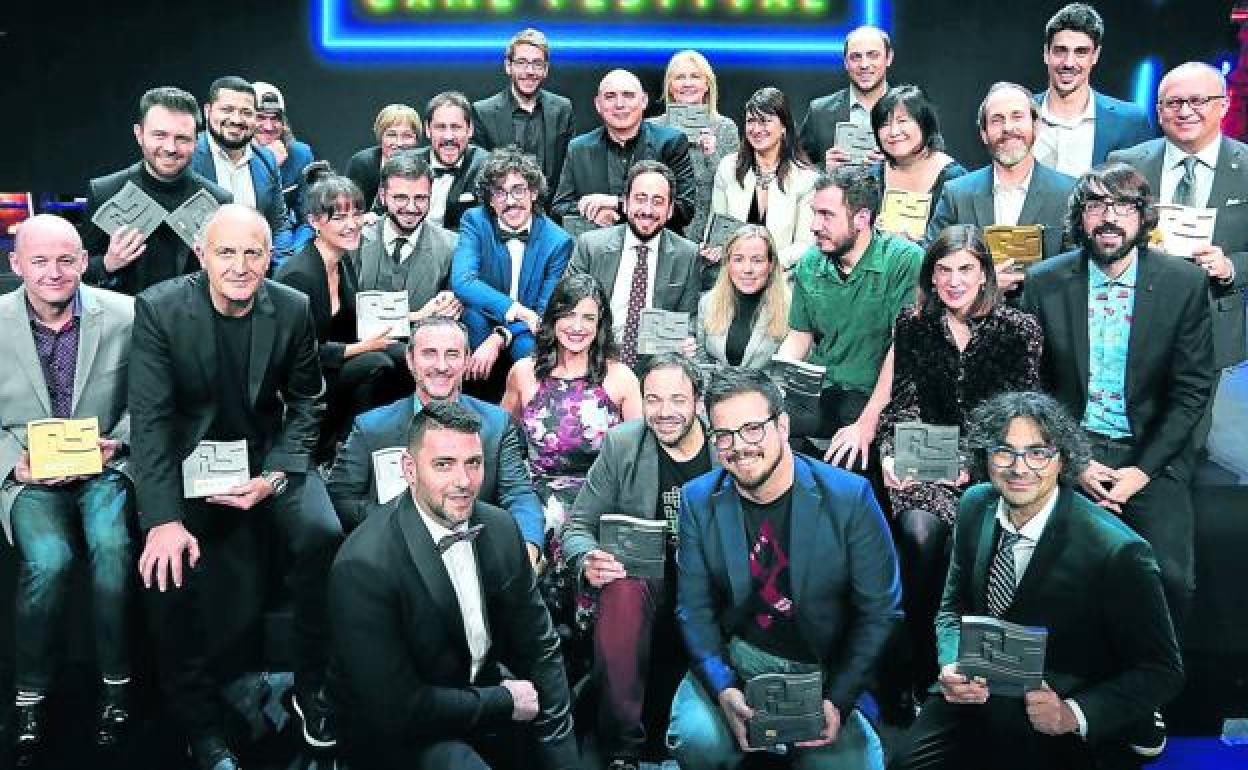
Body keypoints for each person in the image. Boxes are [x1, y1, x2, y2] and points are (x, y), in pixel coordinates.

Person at [129, 205, 343, 769]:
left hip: (265, 458)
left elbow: (308, 402)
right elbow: (150, 422)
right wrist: (163, 520)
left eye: (253, 253)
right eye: (226, 252)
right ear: (202, 254)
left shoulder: (291, 307)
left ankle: (312, 688)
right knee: (168, 563)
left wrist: (274, 478)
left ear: (269, 257)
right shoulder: (159, 308)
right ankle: (200, 724)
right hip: (189, 460)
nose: (240, 265)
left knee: (322, 532)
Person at [1020, 164, 1213, 755]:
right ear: (1079, 217)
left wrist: (1140, 472)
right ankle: (1058, 686)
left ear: (1143, 217)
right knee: (1042, 567)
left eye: (1123, 207)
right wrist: (1075, 462)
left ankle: (1140, 696)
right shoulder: (1046, 281)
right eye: (1096, 206)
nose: (1109, 218)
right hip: (1069, 449)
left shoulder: (1182, 283)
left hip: (1149, 454)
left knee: (1170, 576)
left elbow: (1191, 392)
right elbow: (1036, 389)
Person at [889, 391, 1184, 770]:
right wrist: (951, 664)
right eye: (1004, 452)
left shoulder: (1118, 551)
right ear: (985, 456)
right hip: (977, 686)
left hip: (1059, 698)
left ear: (1063, 460)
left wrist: (1072, 713)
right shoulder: (975, 504)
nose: (1019, 468)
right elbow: (952, 608)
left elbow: (1162, 671)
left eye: (1037, 453)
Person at [667, 367, 901, 770]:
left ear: (783, 426)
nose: (739, 447)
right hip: (740, 659)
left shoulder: (850, 498)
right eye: (724, 435)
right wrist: (723, 687)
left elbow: (880, 612)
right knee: (697, 741)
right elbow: (694, 609)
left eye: (752, 429)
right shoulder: (698, 500)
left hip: (821, 668)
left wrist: (839, 700)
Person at [328, 400, 579, 770]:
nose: (463, 481)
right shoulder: (363, 564)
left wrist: (562, 758)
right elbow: (400, 710)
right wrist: (503, 702)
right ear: (409, 469)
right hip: (401, 734)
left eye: (473, 463)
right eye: (444, 464)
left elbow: (540, 647)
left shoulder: (500, 528)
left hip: (479, 698)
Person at [875, 224, 1042, 696]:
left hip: (995, 465)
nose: (953, 281)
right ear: (930, 276)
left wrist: (972, 461)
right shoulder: (913, 324)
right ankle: (918, 665)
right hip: (925, 458)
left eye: (965, 269)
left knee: (974, 541)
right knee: (919, 533)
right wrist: (891, 452)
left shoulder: (1020, 330)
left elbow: (1018, 416)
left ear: (985, 273)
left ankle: (975, 670)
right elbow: (903, 402)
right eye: (943, 270)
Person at [0, 215, 135, 759]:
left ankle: (117, 688)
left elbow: (150, 400)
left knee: (112, 548)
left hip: (104, 466)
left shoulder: (125, 315)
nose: (53, 272)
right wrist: (14, 466)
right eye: (39, 261)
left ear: (84, 260)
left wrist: (119, 444)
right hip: (28, 472)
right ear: (16, 265)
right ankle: (29, 697)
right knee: (49, 560)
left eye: (65, 260)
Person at [562, 354, 718, 768]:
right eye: (653, 399)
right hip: (646, 581)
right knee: (621, 586)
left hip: (711, 584)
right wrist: (588, 559)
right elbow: (578, 526)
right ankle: (621, 750)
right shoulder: (623, 443)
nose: (664, 412)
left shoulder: (725, 446)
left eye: (677, 400)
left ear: (698, 401)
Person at [1107, 61, 1248, 482]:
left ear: (1223, 105)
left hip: (1213, 325)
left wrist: (1232, 265)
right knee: (1134, 437)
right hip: (1136, 319)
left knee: (1193, 445)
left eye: (1198, 101)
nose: (1185, 111)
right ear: (1159, 110)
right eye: (1174, 103)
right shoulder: (1126, 164)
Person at [327, 316, 544, 565]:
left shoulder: (496, 424)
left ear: (466, 360)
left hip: (474, 556)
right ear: (410, 360)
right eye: (429, 354)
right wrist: (401, 524)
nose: (441, 366)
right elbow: (342, 499)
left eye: (452, 354)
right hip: (394, 558)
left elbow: (518, 494)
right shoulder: (372, 427)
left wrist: (528, 549)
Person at [501, 273, 642, 636]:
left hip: (599, 498)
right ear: (553, 318)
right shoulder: (523, 373)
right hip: (536, 495)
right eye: (568, 315)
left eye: (588, 318)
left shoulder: (620, 378)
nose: (577, 327)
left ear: (601, 324)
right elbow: (502, 440)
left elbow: (640, 456)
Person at [775, 165, 923, 472]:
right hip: (824, 390)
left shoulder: (904, 260)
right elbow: (800, 336)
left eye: (826, 215)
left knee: (850, 457)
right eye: (814, 213)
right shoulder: (811, 262)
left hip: (875, 395)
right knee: (767, 435)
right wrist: (776, 390)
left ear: (862, 219)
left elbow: (902, 350)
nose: (814, 226)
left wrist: (866, 425)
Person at [275, 172, 404, 462]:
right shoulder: (299, 275)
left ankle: (391, 443)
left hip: (336, 361)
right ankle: (344, 452)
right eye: (340, 218)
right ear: (314, 222)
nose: (352, 224)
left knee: (404, 355)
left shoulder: (342, 260)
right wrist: (362, 348)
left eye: (357, 214)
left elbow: (356, 317)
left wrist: (419, 314)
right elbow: (299, 352)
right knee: (377, 363)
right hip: (306, 373)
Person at [927, 82, 1077, 293]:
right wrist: (984, 283)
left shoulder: (1069, 192)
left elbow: (1077, 269)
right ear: (984, 133)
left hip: (1044, 311)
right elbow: (932, 263)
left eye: (1017, 117)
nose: (1008, 128)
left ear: (1036, 126)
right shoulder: (956, 194)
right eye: (997, 120)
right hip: (975, 311)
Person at [81, 86, 232, 296]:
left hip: (192, 313)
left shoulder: (219, 201)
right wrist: (107, 263)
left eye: (182, 138)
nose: (170, 148)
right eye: (160, 135)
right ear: (139, 134)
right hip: (125, 313)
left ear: (196, 140)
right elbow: (78, 268)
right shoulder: (105, 192)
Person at [450, 146, 573, 383]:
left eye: (518, 190)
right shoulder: (475, 221)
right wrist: (516, 310)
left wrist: (501, 336)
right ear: (490, 199)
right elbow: (462, 281)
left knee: (529, 353)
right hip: (484, 316)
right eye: (499, 192)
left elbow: (543, 313)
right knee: (472, 324)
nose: (510, 201)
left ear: (533, 193)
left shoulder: (558, 241)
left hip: (527, 328)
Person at [567, 160, 700, 367]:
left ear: (670, 210)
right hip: (596, 357)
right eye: (640, 199)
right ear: (625, 203)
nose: (647, 210)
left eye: (658, 201)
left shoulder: (687, 254)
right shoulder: (590, 246)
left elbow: (688, 318)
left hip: (655, 364)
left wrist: (686, 340)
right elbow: (567, 307)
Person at [552, 69, 697, 235]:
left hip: (658, 247)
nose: (619, 104)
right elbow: (559, 208)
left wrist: (617, 203)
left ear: (644, 101)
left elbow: (684, 209)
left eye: (628, 95)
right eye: (610, 97)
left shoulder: (671, 142)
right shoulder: (578, 148)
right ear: (598, 104)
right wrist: (595, 212)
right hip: (600, 247)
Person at [1033, 3, 1154, 177]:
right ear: (1046, 53)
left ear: (1095, 55)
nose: (1068, 63)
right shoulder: (1019, 114)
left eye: (1081, 52)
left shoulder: (1129, 122)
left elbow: (1142, 186)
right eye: (1060, 51)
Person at [191, 76, 295, 267]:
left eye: (246, 112)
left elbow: (279, 225)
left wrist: (281, 271)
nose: (237, 119)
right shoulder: (188, 155)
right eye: (227, 110)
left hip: (256, 275)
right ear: (207, 111)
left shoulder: (266, 160)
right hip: (200, 274)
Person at [711, 87, 818, 271]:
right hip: (733, 273)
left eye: (765, 121)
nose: (756, 129)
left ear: (784, 127)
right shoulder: (728, 168)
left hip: (782, 275)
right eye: (751, 121)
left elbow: (805, 244)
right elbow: (718, 232)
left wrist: (765, 265)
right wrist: (715, 250)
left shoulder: (805, 178)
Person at [471, 28, 576, 210]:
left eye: (537, 64)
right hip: (502, 214)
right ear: (508, 66)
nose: (529, 71)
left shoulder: (562, 109)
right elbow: (481, 180)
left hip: (551, 216)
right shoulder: (483, 113)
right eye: (521, 63)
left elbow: (569, 173)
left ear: (546, 69)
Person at [353, 148, 462, 321]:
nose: (411, 208)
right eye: (401, 198)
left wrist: (450, 305)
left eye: (420, 198)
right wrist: (418, 316)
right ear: (383, 196)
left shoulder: (451, 247)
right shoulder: (355, 240)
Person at [649, 50, 741, 253]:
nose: (687, 83)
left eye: (695, 76)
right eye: (680, 77)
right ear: (670, 86)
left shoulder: (725, 128)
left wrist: (712, 154)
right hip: (661, 233)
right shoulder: (652, 128)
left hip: (709, 237)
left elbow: (735, 188)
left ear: (707, 84)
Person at [869, 85, 967, 236]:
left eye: (902, 121)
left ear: (925, 124)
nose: (893, 132)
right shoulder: (871, 176)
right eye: (884, 124)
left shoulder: (956, 179)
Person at [696, 225, 790, 371]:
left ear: (771, 265)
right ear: (728, 264)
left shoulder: (790, 309)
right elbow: (701, 359)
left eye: (757, 260)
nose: (747, 269)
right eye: (738, 259)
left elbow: (788, 372)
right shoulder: (708, 302)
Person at [798, 25, 891, 169]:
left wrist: (896, 166)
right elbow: (797, 168)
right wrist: (824, 169)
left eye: (873, 55)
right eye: (856, 57)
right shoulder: (819, 112)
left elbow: (928, 163)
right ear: (846, 62)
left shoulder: (910, 111)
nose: (864, 64)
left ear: (889, 58)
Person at [251, 81, 319, 250]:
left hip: (285, 243)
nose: (268, 127)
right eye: (260, 118)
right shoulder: (233, 155)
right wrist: (268, 164)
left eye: (275, 118)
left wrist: (293, 254)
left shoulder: (300, 154)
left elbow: (308, 217)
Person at [416, 91, 490, 231]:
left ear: (470, 130)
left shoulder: (486, 167)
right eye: (440, 127)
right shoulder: (406, 163)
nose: (448, 136)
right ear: (427, 130)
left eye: (456, 127)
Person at [345, 103, 422, 210]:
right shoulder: (361, 165)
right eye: (391, 135)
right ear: (380, 137)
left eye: (407, 136)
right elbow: (351, 209)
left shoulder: (427, 165)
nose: (399, 143)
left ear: (416, 140)